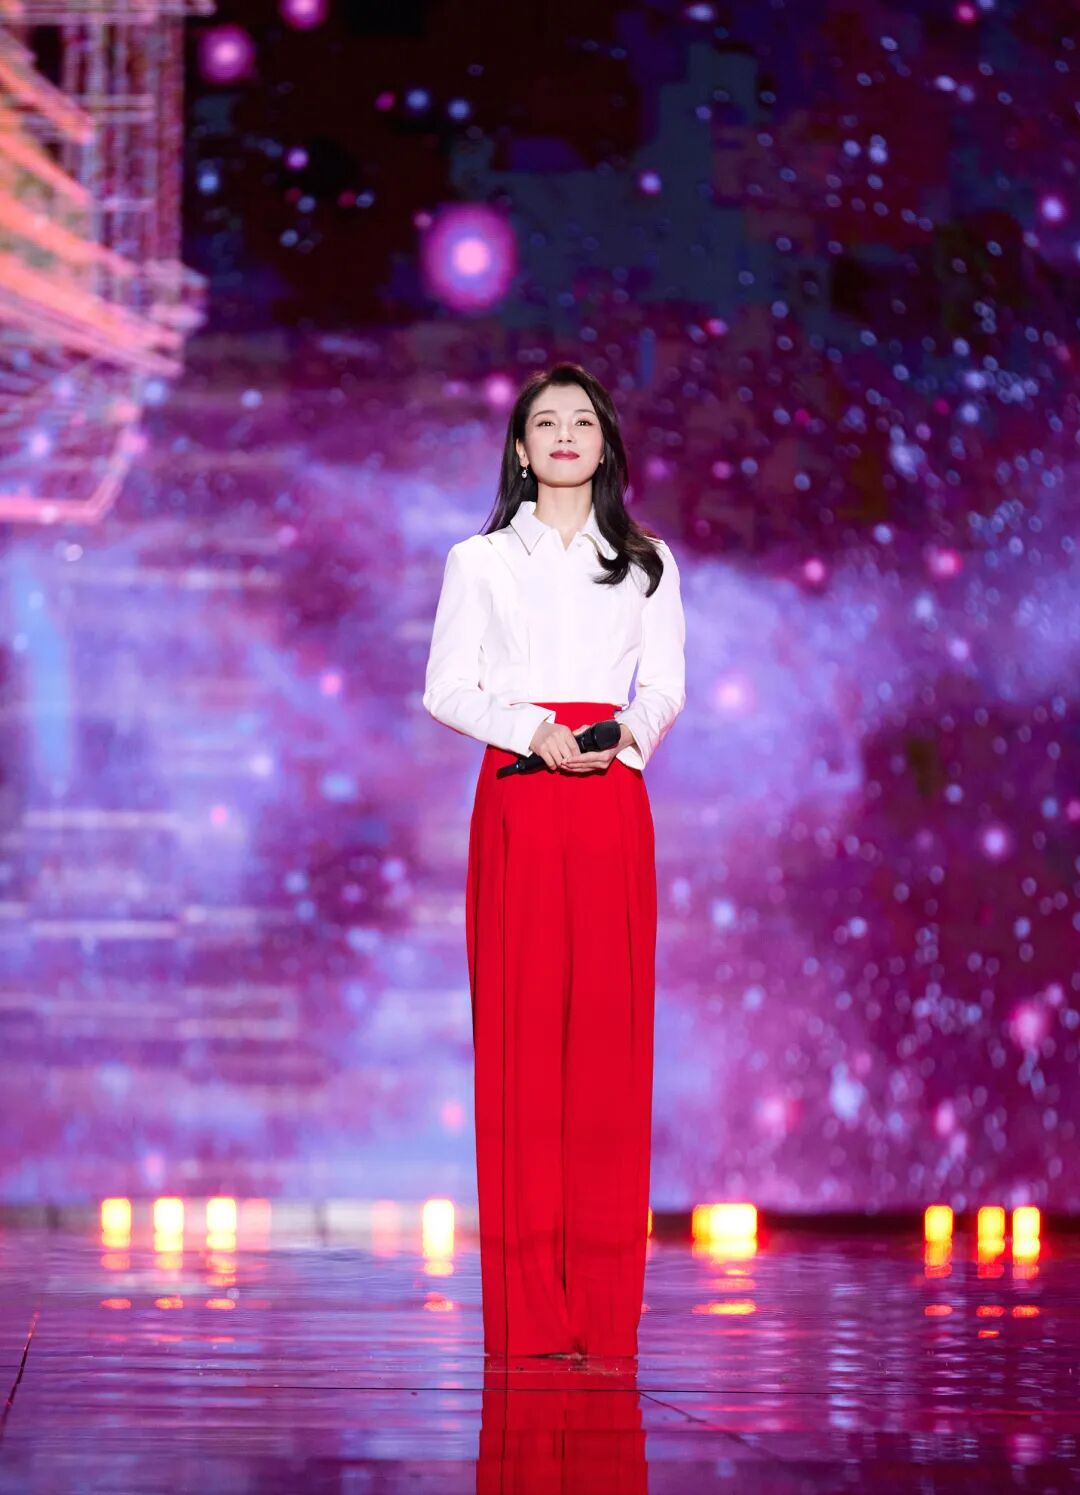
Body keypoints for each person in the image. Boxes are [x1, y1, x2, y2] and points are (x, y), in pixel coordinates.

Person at [422, 361, 686, 1363]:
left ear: (606, 443)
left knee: (611, 1048)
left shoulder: (649, 561)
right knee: (523, 1047)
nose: (566, 434)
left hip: (612, 797)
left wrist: (622, 735)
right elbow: (447, 687)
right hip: (521, 796)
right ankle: (531, 1311)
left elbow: (665, 685)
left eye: (583, 420)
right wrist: (533, 728)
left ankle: (604, 1310)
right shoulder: (480, 560)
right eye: (547, 422)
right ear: (523, 449)